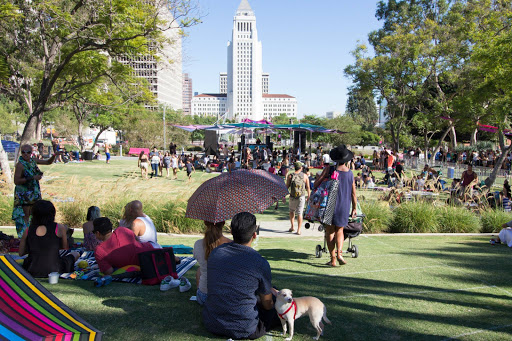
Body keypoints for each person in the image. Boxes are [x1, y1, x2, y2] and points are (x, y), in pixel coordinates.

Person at [202, 212, 279, 339]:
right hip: (244, 328)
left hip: (212, 322)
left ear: (231, 231)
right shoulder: (260, 262)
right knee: (277, 303)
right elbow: (267, 304)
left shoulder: (216, 253)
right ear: (254, 235)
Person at [18, 200, 79, 277]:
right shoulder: (59, 227)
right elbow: (65, 247)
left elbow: (21, 253)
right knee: (76, 254)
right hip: (55, 268)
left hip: (32, 268)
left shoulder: (28, 230)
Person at [13, 144, 61, 237]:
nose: (26, 154)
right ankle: (25, 235)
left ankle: (34, 234)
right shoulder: (20, 165)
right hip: (24, 194)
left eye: (28, 152)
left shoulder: (33, 161)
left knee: (35, 214)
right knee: (25, 215)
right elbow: (16, 181)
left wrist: (54, 155)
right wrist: (32, 178)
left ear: (31, 153)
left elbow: (47, 162)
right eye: (23, 152)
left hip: (33, 193)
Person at [93, 217, 160, 275]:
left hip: (147, 264)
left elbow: (109, 271)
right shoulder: (121, 230)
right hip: (155, 250)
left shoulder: (99, 250)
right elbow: (135, 239)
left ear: (98, 233)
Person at [326, 145, 357, 267]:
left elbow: (318, 184)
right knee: (340, 229)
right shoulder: (350, 174)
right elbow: (353, 193)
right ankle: (339, 253)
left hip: (330, 202)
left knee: (329, 231)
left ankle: (333, 259)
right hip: (344, 203)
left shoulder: (330, 170)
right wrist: (354, 207)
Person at [193, 221, 231, 306]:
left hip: (203, 297)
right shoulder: (231, 245)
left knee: (200, 269)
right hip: (225, 297)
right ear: (223, 223)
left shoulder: (198, 244)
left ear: (205, 223)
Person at [286, 162, 311, 235]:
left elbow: (287, 186)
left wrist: (284, 196)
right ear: (301, 168)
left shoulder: (291, 176)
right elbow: (308, 187)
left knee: (291, 211)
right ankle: (299, 230)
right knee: (300, 213)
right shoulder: (305, 176)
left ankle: (292, 226)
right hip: (301, 196)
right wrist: (309, 196)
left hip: (293, 196)